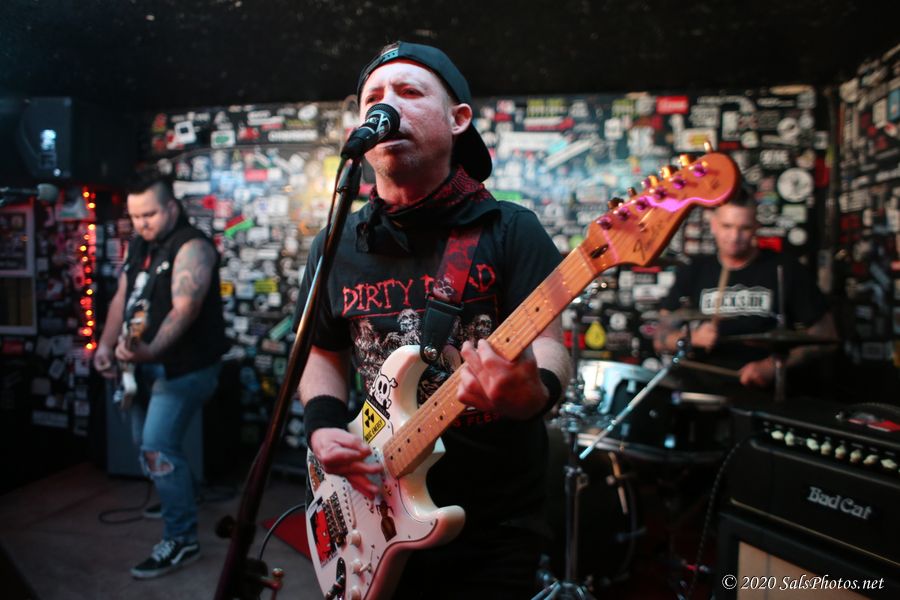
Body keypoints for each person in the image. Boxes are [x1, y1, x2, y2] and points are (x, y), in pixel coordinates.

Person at [297, 41, 571, 599]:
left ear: (458, 119)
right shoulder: (335, 243)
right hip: (375, 501)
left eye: (409, 91)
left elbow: (552, 344)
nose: (387, 104)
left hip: (494, 520)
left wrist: (534, 393)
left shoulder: (510, 230)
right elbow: (322, 351)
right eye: (374, 97)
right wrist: (323, 427)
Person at [93, 172, 228, 579]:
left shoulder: (193, 246)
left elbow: (185, 309)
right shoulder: (140, 244)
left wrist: (150, 350)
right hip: (145, 365)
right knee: (145, 444)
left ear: (171, 207)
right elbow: (122, 297)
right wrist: (104, 345)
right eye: (135, 216)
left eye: (149, 214)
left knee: (157, 448)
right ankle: (181, 494)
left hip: (186, 367)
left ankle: (182, 538)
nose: (141, 224)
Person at [655, 188, 836, 392]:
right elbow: (660, 337)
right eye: (727, 226)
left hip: (765, 392)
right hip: (702, 391)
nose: (734, 236)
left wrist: (774, 366)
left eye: (745, 228)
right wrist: (691, 338)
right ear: (713, 224)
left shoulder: (785, 268)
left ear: (756, 226)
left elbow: (826, 336)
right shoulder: (694, 270)